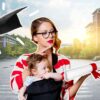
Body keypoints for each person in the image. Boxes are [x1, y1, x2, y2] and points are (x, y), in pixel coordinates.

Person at [10, 17, 89, 100]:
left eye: (52, 31)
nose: (50, 35)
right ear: (35, 37)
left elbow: (65, 96)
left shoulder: (64, 61)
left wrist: (84, 76)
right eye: (44, 33)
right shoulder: (24, 59)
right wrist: (30, 64)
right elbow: (15, 88)